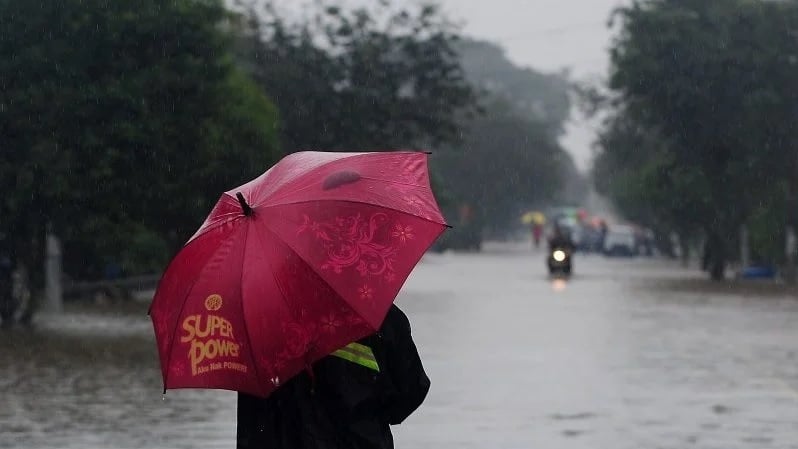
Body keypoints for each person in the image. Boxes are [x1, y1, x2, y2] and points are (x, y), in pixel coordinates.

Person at [237, 304, 430, 449]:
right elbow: (412, 390)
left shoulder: (258, 323)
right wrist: (372, 417)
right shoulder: (378, 316)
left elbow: (252, 422)